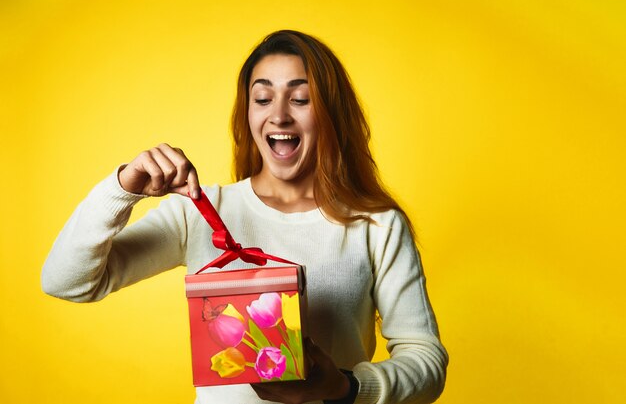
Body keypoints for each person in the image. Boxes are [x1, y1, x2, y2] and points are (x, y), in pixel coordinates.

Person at [42, 30, 448, 404]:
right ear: (248, 112)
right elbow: (66, 282)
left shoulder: (376, 225)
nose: (279, 115)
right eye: (263, 98)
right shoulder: (201, 210)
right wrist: (121, 189)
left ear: (330, 113)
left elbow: (426, 360)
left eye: (301, 99)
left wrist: (345, 387)